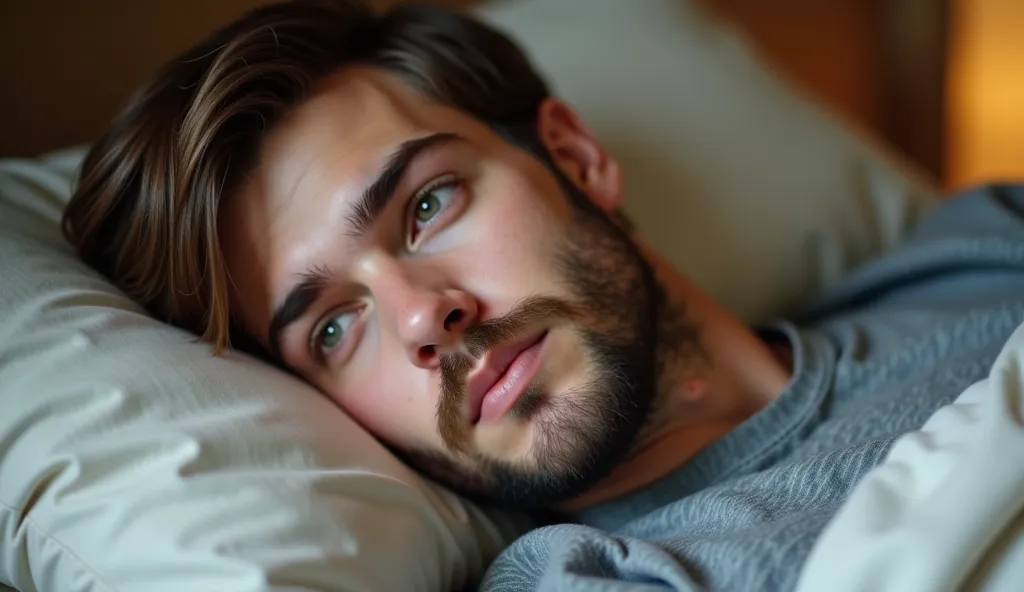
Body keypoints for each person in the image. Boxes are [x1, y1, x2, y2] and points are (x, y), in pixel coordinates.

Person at [61, 0, 1024, 590]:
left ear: (573, 157)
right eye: (334, 327)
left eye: (426, 205)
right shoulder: (598, 582)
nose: (420, 316)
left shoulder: (985, 249)